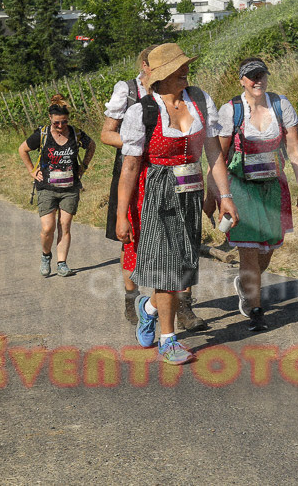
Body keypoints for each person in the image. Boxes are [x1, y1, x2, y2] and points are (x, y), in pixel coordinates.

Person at [115, 44, 238, 365]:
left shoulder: (199, 100)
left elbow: (213, 153)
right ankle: (168, 340)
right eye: (177, 68)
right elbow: (129, 168)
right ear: (161, 76)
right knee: (167, 269)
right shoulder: (142, 111)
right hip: (157, 191)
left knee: (183, 268)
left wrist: (225, 197)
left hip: (191, 190)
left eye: (185, 65)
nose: (185, 71)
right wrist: (121, 215)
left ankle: (148, 308)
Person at [103, 48, 208, 330]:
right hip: (145, 176)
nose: (182, 71)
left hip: (185, 182)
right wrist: (137, 145)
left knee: (184, 252)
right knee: (140, 247)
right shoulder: (130, 94)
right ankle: (136, 301)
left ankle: (181, 307)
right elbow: (106, 134)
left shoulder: (192, 100)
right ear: (148, 67)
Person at [216, 58, 298, 332]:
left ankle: (246, 283)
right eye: (250, 76)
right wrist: (220, 194)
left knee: (267, 250)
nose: (256, 80)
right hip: (241, 189)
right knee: (248, 252)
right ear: (241, 80)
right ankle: (256, 310)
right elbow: (219, 156)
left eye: (260, 75)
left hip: (273, 188)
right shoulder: (231, 111)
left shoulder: (281, 106)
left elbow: (294, 149)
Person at [19, 95, 96, 278]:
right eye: (57, 123)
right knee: (48, 228)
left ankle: (62, 263)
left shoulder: (76, 133)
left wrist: (83, 167)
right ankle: (46, 256)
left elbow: (92, 146)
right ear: (50, 119)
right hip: (46, 187)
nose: (60, 126)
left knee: (65, 225)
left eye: (64, 122)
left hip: (70, 188)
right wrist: (32, 170)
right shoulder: (43, 134)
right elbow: (22, 149)